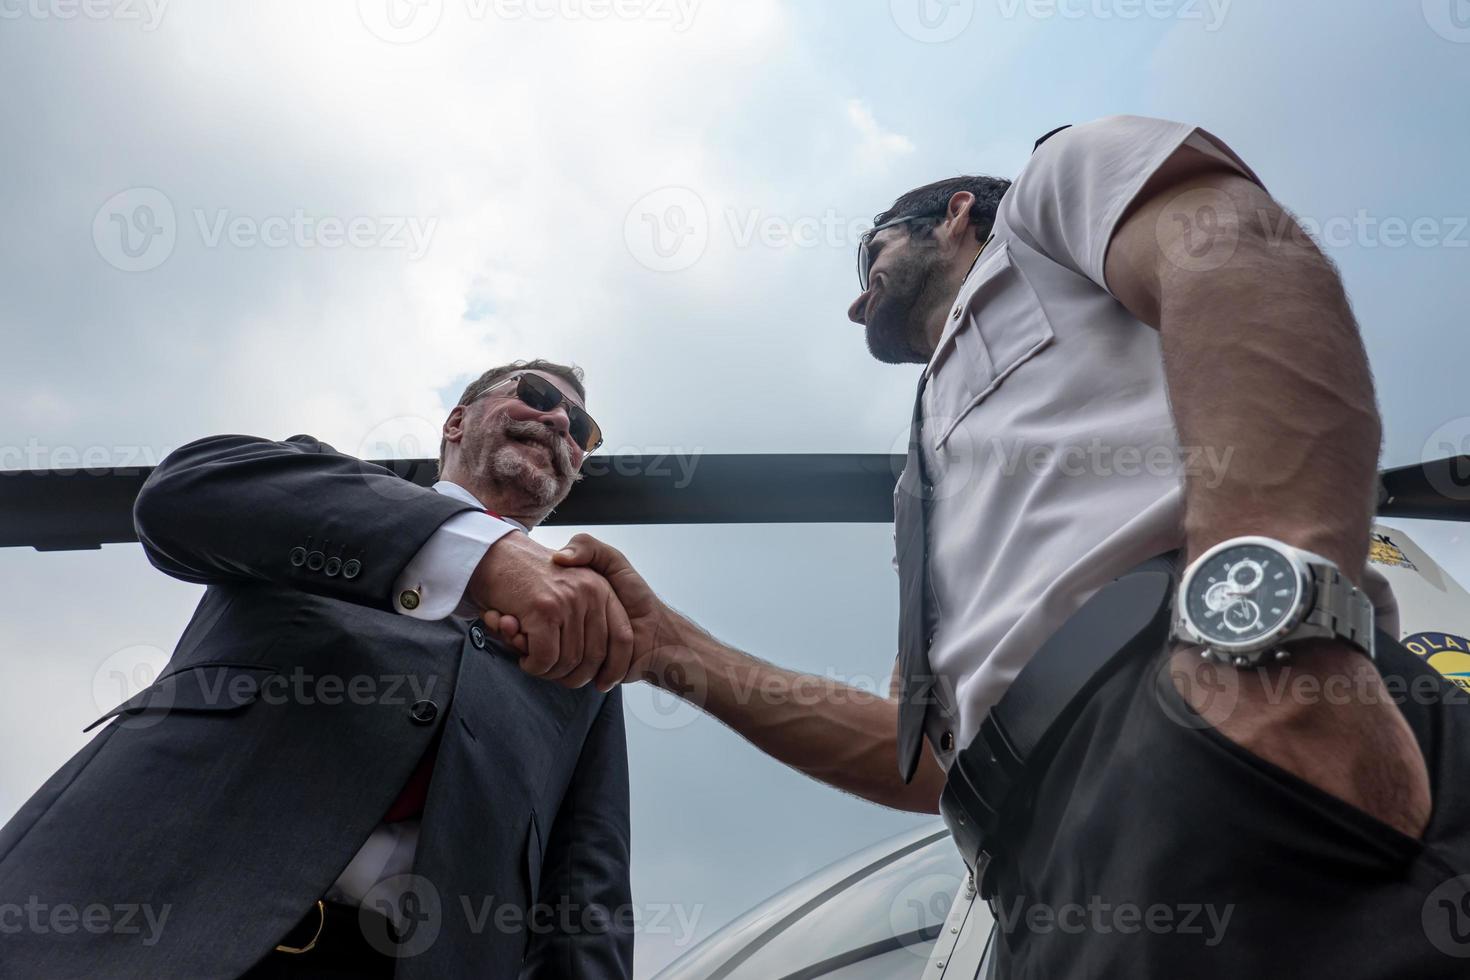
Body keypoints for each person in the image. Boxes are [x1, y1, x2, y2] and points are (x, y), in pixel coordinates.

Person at [490, 117, 1470, 976]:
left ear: (957, 213)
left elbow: (1239, 253)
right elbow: (927, 765)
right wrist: (673, 649)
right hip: (1034, 860)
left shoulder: (1052, 195)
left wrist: (1278, 638)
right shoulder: (928, 482)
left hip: (1207, 715)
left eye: (869, 254)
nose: (853, 301)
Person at [0, 359, 635, 979]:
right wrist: (480, 554)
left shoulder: (586, 658)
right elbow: (177, 497)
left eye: (582, 430)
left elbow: (588, 899)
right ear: (457, 421)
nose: (559, 424)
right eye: (534, 395)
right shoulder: (319, 495)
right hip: (146, 915)